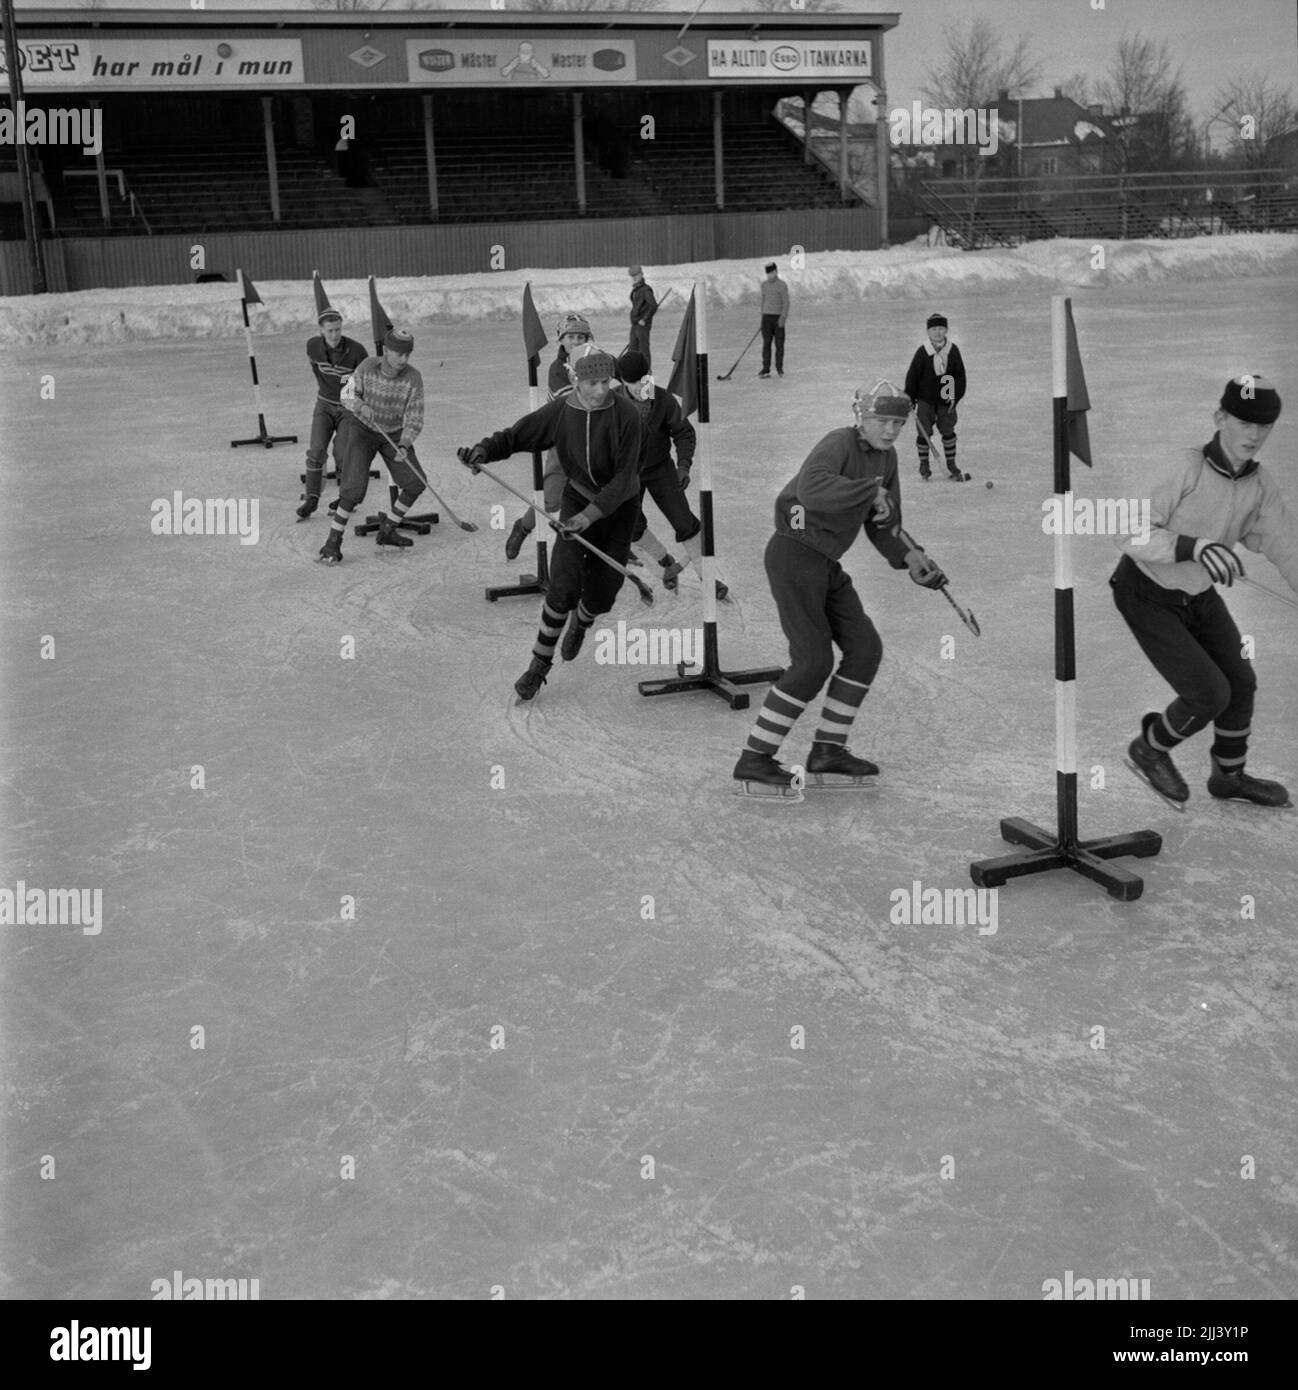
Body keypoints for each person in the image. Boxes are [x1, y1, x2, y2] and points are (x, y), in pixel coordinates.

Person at [732, 381, 947, 797]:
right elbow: (812, 489)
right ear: (860, 417)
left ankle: (828, 750)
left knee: (865, 649)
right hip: (794, 553)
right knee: (812, 662)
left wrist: (912, 558)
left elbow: (884, 523)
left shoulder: (887, 459)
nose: (889, 430)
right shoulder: (838, 443)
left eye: (898, 423)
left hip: (825, 562)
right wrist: (869, 490)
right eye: (881, 420)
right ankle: (754, 758)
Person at [1111, 373, 1296, 809]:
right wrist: (1190, 545)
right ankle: (1149, 749)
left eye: (1263, 426)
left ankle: (1228, 778)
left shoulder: (1259, 486)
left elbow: (1287, 545)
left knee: (1241, 682)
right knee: (1209, 693)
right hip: (1146, 592)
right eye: (1243, 421)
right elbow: (1124, 526)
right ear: (1220, 417)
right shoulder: (1184, 468)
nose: (1253, 434)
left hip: (1198, 596)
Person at [461, 347, 644, 701]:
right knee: (562, 587)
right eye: (592, 382)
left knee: (604, 593)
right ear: (576, 380)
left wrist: (587, 518)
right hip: (578, 495)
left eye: (606, 381)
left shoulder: (628, 416)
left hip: (619, 507)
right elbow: (519, 435)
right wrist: (484, 450)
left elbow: (622, 481)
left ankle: (583, 621)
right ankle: (538, 666)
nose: (601, 390)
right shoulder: (563, 412)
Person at [613, 349, 728, 601]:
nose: (639, 386)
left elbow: (683, 432)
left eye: (644, 380)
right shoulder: (613, 403)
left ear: (650, 375)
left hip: (660, 469)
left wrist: (684, 464)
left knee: (684, 521)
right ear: (622, 382)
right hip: (628, 474)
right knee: (630, 525)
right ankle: (663, 560)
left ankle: (707, 577)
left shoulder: (662, 400)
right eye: (633, 383)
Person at [316, 327, 428, 564]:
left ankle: (388, 530)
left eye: (408, 354)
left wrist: (405, 443)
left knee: (415, 482)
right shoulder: (367, 366)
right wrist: (359, 406)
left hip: (394, 434)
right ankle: (332, 543)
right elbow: (346, 396)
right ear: (386, 351)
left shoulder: (413, 377)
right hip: (363, 430)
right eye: (399, 354)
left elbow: (415, 417)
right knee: (353, 490)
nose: (404, 360)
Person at [504, 312, 591, 561]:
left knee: (601, 497)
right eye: (571, 337)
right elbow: (571, 401)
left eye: (581, 337)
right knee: (551, 499)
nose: (576, 342)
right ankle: (523, 527)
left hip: (593, 442)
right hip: (564, 442)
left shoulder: (597, 360)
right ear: (561, 341)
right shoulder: (557, 369)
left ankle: (611, 545)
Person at [297, 308, 368, 522]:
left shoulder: (357, 351)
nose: (335, 335)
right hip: (325, 404)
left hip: (348, 406)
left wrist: (355, 403)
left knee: (343, 452)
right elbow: (316, 370)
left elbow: (364, 381)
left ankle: (344, 498)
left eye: (338, 329)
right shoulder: (313, 346)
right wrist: (327, 391)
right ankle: (312, 497)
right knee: (316, 449)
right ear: (321, 330)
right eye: (330, 331)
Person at [904, 312, 967, 480]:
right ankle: (924, 464)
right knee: (924, 432)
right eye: (934, 329)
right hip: (925, 401)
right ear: (928, 332)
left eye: (941, 328)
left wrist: (956, 397)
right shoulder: (923, 352)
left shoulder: (952, 350)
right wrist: (910, 397)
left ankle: (951, 463)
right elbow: (913, 376)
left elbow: (960, 377)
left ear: (946, 330)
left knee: (948, 430)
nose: (937, 332)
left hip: (946, 401)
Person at [757, 261, 789, 379]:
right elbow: (763, 302)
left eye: (771, 273)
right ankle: (766, 369)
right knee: (766, 345)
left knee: (779, 345)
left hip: (778, 319)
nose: (769, 276)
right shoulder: (764, 285)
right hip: (766, 318)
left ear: (776, 272)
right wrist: (763, 318)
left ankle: (779, 368)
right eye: (768, 274)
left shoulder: (782, 285)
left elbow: (786, 303)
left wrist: (783, 317)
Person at [627, 266, 657, 368]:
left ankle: (646, 373)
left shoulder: (645, 290)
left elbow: (653, 305)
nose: (634, 277)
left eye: (636, 275)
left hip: (642, 325)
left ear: (641, 274)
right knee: (632, 349)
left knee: (643, 350)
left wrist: (644, 319)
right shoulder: (636, 289)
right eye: (632, 276)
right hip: (635, 324)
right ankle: (633, 372)